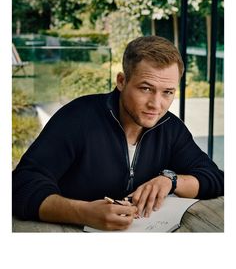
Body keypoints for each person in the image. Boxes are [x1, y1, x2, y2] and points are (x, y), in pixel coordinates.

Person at [12, 36, 224, 230]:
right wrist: (83, 213)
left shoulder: (169, 127)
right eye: (146, 88)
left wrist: (172, 180)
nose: (156, 105)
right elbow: (21, 185)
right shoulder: (77, 118)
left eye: (167, 92)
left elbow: (215, 178)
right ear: (121, 81)